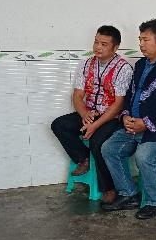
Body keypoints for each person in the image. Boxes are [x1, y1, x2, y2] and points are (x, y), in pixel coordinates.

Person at [100, 19, 156, 220]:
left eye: (145, 40)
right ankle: (129, 194)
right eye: (140, 39)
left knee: (144, 156)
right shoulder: (140, 64)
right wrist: (126, 116)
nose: (140, 44)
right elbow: (131, 94)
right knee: (109, 149)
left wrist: (145, 123)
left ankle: (155, 202)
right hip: (135, 124)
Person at [50, 26, 133, 203]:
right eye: (96, 42)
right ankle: (83, 158)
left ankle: (109, 188)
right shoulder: (86, 64)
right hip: (90, 113)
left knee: (97, 141)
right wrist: (84, 115)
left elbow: (119, 104)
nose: (98, 47)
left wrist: (95, 125)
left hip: (111, 117)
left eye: (104, 44)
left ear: (115, 47)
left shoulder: (124, 68)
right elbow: (77, 95)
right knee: (59, 125)